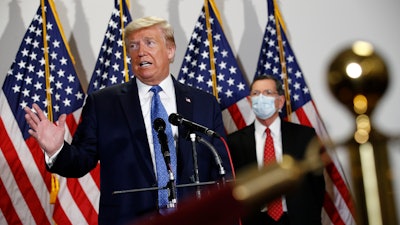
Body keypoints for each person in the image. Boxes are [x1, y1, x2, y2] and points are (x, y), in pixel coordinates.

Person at [24, 16, 232, 225]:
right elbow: (80, 161)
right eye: (133, 45)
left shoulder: (204, 103)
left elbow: (220, 168)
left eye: (149, 42)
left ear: (170, 50)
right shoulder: (103, 103)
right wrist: (56, 150)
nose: (140, 51)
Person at [227, 75, 325, 225]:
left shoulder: (304, 135)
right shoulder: (234, 141)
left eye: (267, 92)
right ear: (249, 101)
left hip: (298, 219)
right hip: (256, 220)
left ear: (280, 101)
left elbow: (317, 185)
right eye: (255, 93)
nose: (261, 98)